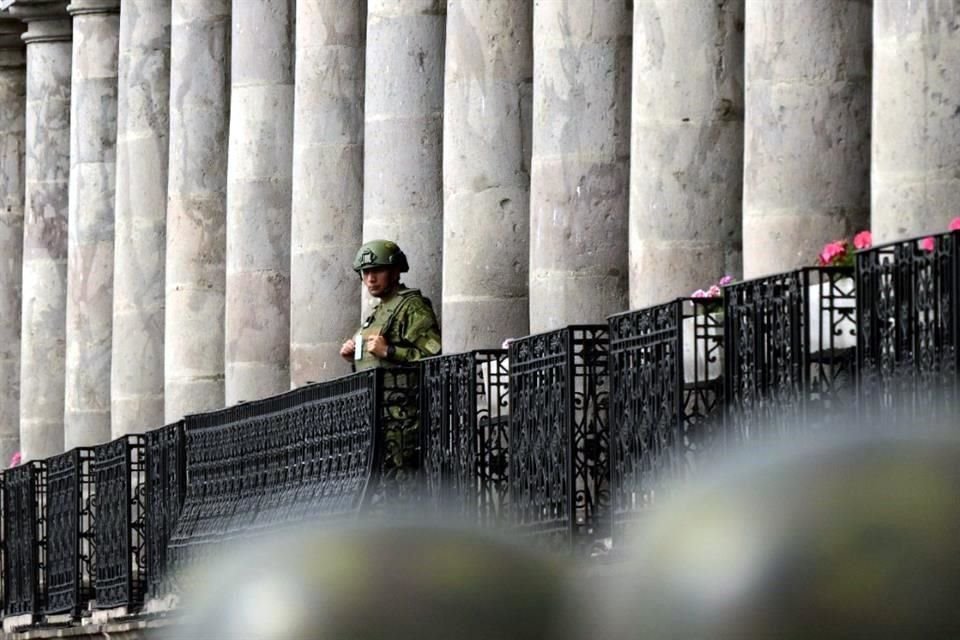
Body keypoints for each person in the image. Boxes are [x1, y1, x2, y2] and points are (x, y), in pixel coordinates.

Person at [340, 239, 442, 371]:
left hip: (404, 392)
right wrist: (354, 355)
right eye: (366, 272)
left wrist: (389, 351)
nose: (371, 279)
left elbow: (434, 357)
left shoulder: (411, 306)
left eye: (377, 270)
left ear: (394, 272)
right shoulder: (380, 310)